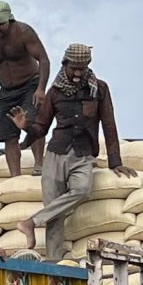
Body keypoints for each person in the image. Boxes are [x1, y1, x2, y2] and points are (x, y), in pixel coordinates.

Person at [19, 44, 124, 263]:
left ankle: (32, 221)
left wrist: (115, 162)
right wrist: (26, 127)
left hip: (83, 154)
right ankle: (55, 262)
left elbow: (109, 124)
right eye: (73, 68)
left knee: (82, 190)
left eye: (82, 69)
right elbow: (42, 128)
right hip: (56, 153)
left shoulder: (99, 89)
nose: (77, 73)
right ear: (65, 65)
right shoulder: (55, 91)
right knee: (54, 213)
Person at [0, 2, 51, 179]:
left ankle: (39, 164)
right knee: (8, 133)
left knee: (32, 121)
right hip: (6, 90)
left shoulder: (23, 32)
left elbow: (43, 60)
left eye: (1, 24)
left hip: (30, 83)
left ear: (9, 19)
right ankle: (15, 176)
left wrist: (41, 89)